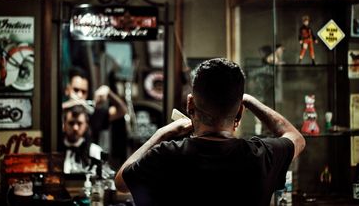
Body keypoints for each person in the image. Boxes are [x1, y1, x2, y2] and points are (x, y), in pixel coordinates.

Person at [114, 58, 306, 206]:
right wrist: (248, 100)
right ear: (239, 110)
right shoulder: (262, 156)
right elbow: (296, 138)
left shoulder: (165, 155)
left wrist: (161, 134)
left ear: (190, 105)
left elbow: (121, 182)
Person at [63, 66, 128, 149]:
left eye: (84, 92)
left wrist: (108, 92)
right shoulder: (57, 114)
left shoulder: (94, 114)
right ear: (67, 90)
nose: (80, 95)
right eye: (76, 90)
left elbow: (122, 110)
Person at [62, 103, 103, 174]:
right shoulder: (55, 149)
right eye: (71, 123)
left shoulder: (95, 151)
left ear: (86, 126)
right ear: (64, 125)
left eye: (79, 123)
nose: (75, 128)